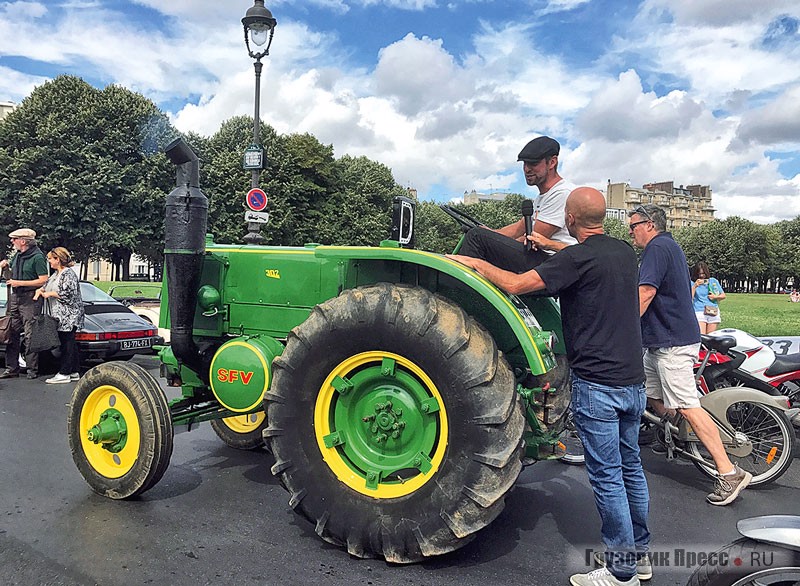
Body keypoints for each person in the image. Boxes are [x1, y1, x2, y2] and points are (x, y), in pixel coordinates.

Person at [449, 187, 650, 586]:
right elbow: (581, 254)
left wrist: (473, 261)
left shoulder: (575, 259)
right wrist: (551, 245)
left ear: (570, 219)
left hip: (598, 385)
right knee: (631, 469)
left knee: (607, 476)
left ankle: (621, 571)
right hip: (632, 382)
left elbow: (516, 284)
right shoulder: (623, 252)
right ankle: (639, 556)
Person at [628, 204, 751, 506]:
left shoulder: (657, 248)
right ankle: (678, 434)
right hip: (661, 342)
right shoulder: (667, 246)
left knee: (687, 406)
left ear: (649, 225)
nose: (630, 232)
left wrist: (623, 327)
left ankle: (729, 472)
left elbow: (645, 293)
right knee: (649, 393)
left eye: (633, 226)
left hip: (671, 343)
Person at [456, 136, 577, 272]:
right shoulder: (542, 197)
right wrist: (490, 233)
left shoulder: (561, 193)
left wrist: (489, 241)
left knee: (476, 237)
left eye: (533, 164)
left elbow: (533, 238)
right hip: (541, 259)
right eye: (525, 164)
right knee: (478, 235)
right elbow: (519, 228)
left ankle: (457, 284)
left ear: (552, 162)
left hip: (554, 264)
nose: (527, 169)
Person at [0, 228, 49, 379]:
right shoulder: (17, 256)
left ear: (23, 241)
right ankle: (11, 368)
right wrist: (5, 268)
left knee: (30, 334)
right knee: (11, 332)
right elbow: (10, 277)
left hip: (30, 298)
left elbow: (43, 280)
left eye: (14, 239)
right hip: (16, 297)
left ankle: (32, 369)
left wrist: (20, 283)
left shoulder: (37, 257)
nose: (12, 241)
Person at [33, 247, 84, 384]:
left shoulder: (68, 274)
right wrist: (40, 291)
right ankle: (74, 371)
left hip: (69, 314)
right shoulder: (56, 274)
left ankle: (64, 372)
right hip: (59, 315)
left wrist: (50, 294)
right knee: (69, 343)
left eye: (50, 259)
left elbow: (68, 294)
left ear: (58, 259)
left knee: (67, 344)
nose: (49, 261)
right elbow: (46, 286)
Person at [690, 262, 725, 333]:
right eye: (699, 274)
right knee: (702, 336)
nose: (701, 276)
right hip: (699, 311)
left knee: (711, 336)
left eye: (703, 273)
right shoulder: (692, 283)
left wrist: (715, 297)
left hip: (713, 311)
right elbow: (689, 298)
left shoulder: (713, 281)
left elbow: (723, 296)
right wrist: (695, 286)